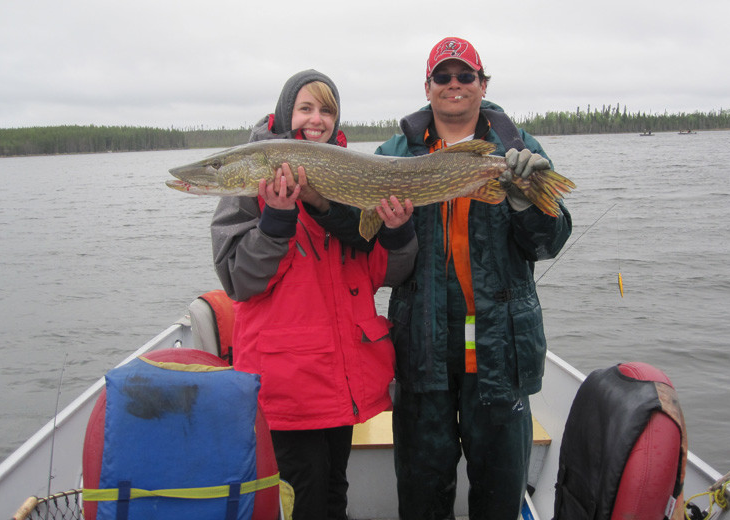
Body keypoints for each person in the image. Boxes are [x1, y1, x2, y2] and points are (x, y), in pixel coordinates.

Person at [376, 38, 572, 519]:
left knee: (500, 488)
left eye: (466, 76)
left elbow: (548, 244)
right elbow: (376, 263)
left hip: (499, 344)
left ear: (483, 84)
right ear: (428, 88)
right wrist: (391, 228)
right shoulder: (393, 154)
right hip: (423, 343)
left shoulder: (518, 150)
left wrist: (526, 202)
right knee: (422, 489)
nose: (455, 85)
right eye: (443, 77)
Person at [211, 69, 417, 520]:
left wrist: (400, 233)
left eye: (327, 110)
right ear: (287, 113)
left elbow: (386, 272)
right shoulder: (254, 182)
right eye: (306, 108)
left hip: (341, 381)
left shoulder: (351, 178)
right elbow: (239, 281)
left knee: (333, 495)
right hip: (288, 386)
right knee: (303, 503)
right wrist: (276, 221)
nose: (316, 119)